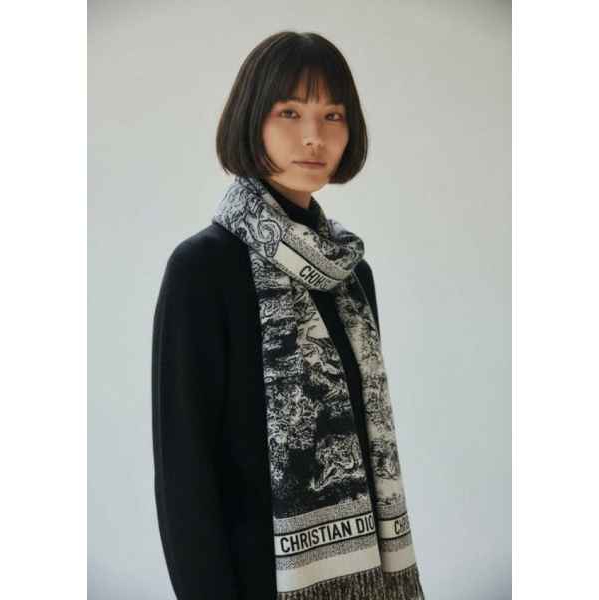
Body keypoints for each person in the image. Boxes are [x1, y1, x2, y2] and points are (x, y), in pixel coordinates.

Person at [152, 31, 425, 600]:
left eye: (332, 115)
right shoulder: (203, 269)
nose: (313, 136)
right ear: (251, 119)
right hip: (253, 580)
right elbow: (184, 473)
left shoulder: (351, 273)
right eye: (290, 112)